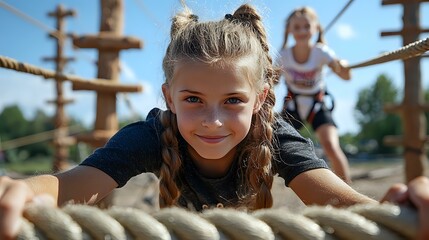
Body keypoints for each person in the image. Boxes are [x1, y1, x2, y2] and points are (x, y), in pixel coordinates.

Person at [0, 3, 428, 239]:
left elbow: (348, 206)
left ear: (260, 99)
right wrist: (20, 188)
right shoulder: (152, 134)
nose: (213, 120)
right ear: (168, 97)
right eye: (192, 99)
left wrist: (407, 207)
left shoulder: (275, 135)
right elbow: (71, 184)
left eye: (233, 101)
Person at [275, 6, 352, 183]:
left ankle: (349, 191)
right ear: (289, 30)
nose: (302, 31)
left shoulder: (321, 52)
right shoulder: (284, 56)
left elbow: (346, 77)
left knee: (331, 147)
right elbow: (274, 82)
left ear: (316, 28)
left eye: (306, 26)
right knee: (272, 146)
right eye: (297, 27)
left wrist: (343, 66)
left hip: (317, 104)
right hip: (293, 104)